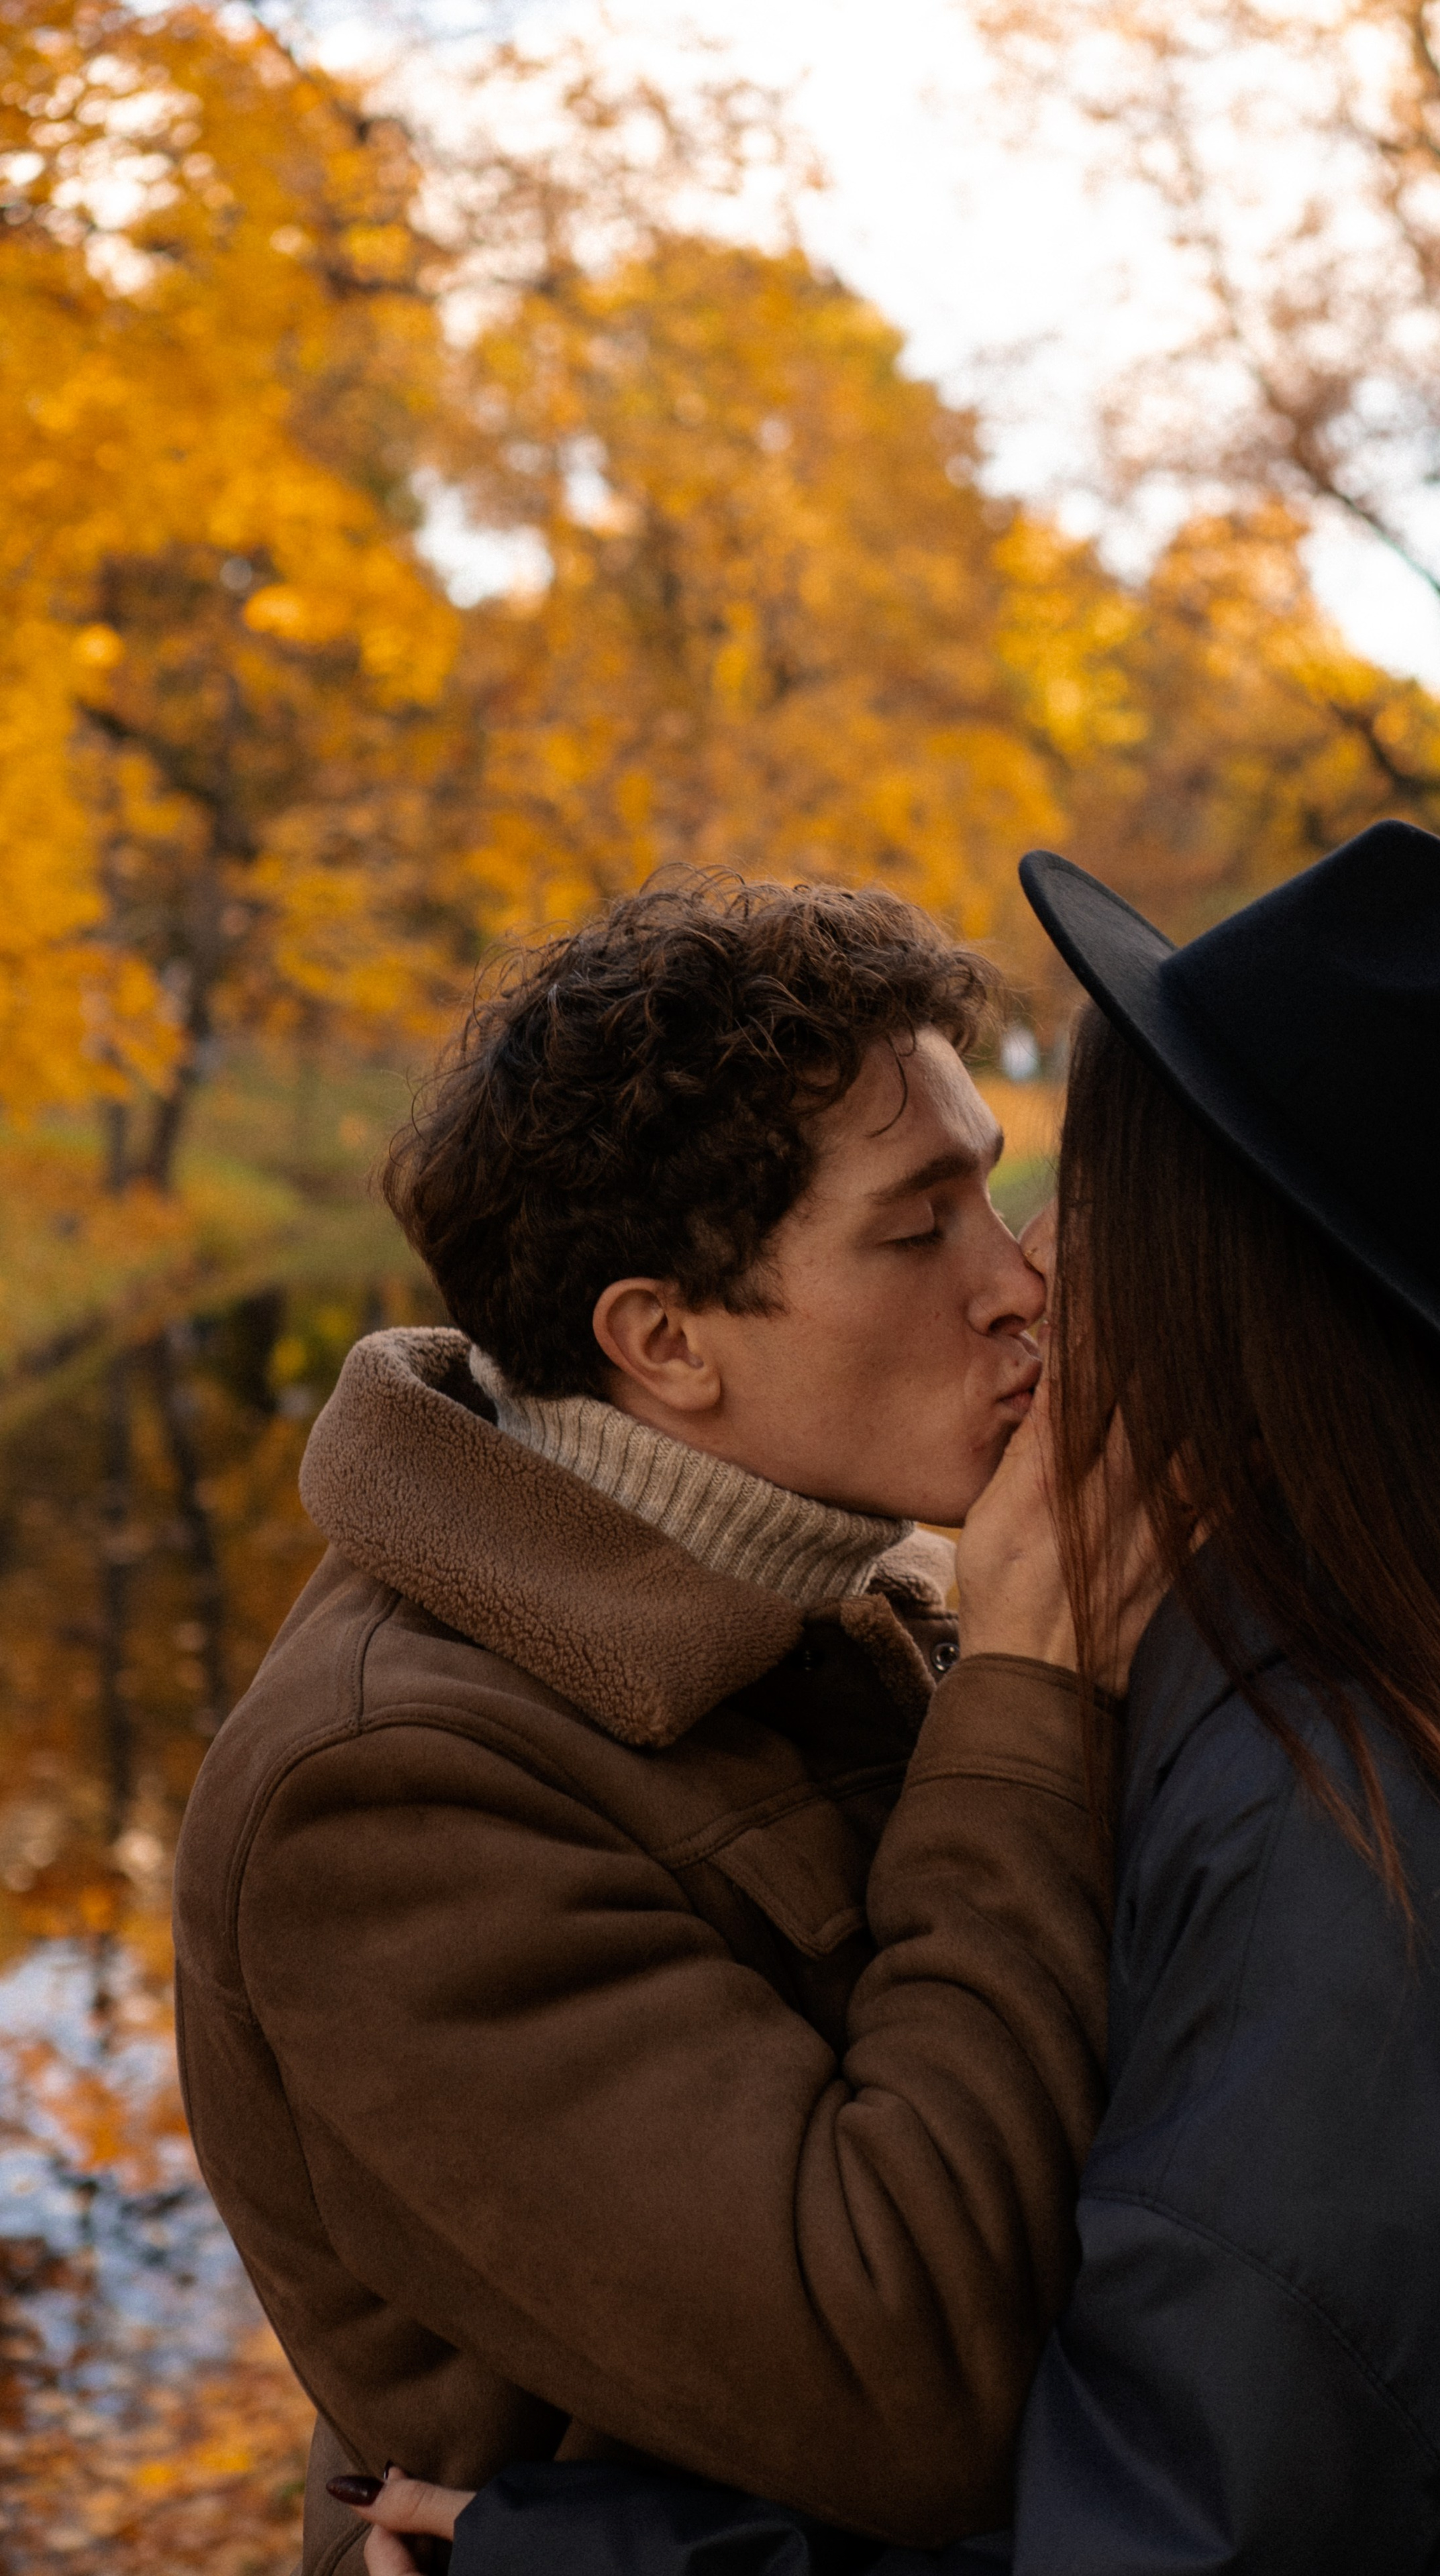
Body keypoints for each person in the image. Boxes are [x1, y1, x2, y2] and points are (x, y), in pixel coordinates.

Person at [342, 820, 1440, 2575]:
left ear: (1220, 1264)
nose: (1032, 1270)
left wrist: (585, 2558)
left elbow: (1191, 2525)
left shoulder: (1326, 1795)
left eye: (1078, 1191)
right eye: (941, 1220)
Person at [172, 874, 1161, 2576]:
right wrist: (1027, 1689)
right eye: (917, 1228)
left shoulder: (842, 1585)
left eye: (988, 1196)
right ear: (663, 1342)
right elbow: (911, 2382)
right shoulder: (388, 1797)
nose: (1019, 1288)